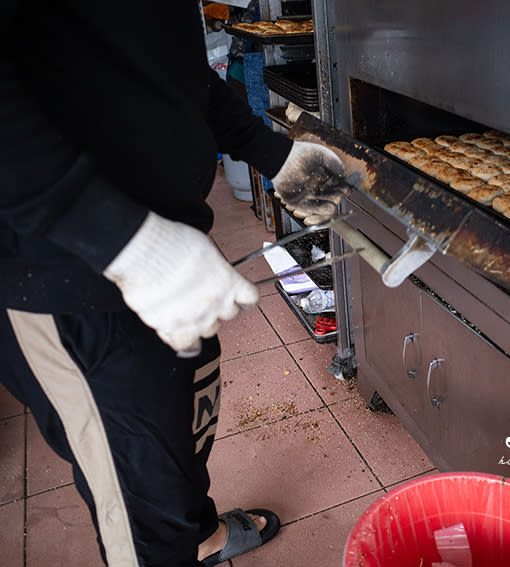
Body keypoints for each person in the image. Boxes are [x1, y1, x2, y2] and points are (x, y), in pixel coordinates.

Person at [0, 2, 348, 566]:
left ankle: (198, 534)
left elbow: (164, 66)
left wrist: (270, 152)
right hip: (65, 270)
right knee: (141, 500)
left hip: (164, 244)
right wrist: (124, 239)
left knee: (180, 428)